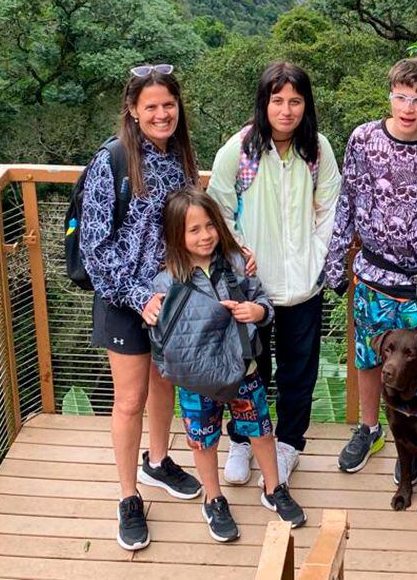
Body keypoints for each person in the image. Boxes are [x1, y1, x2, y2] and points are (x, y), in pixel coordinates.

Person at [80, 64, 202, 552]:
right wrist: (138, 297)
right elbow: (94, 249)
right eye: (150, 106)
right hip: (124, 300)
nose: (161, 113)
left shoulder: (180, 159)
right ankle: (129, 496)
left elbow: (192, 224)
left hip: (169, 296)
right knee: (129, 400)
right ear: (132, 111)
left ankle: (158, 460)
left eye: (168, 105)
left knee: (163, 383)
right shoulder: (110, 162)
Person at [323, 57, 417, 481]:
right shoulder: (363, 140)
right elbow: (348, 202)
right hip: (375, 275)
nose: (408, 107)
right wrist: (335, 265)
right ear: (391, 94)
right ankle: (369, 428)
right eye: (401, 96)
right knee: (370, 357)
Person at [207, 62, 341, 487]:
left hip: (303, 285)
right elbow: (218, 209)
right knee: (249, 369)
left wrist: (315, 256)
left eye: (295, 101)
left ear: (307, 105)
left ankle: (288, 445)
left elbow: (330, 208)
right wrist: (237, 251)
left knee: (298, 371)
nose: (286, 110)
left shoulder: (316, 150)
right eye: (277, 100)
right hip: (252, 288)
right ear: (264, 102)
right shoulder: (240, 150)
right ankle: (243, 442)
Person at [154, 188, 307, 542]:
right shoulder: (167, 280)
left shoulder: (237, 265)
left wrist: (257, 312)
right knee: (202, 441)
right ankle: (214, 498)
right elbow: (160, 336)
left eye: (210, 226)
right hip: (195, 381)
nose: (205, 235)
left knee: (261, 431)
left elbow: (263, 302)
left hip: (244, 370)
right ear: (177, 234)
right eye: (194, 230)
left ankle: (274, 488)